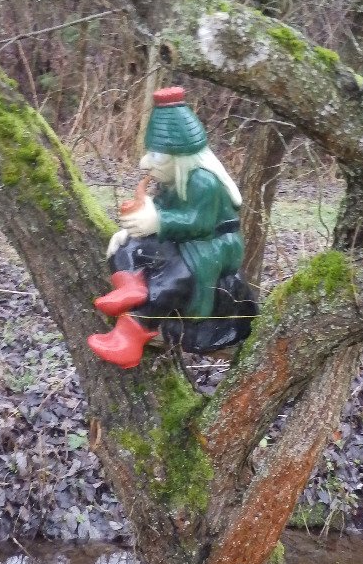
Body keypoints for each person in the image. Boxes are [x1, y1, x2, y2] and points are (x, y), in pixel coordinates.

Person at [88, 87, 257, 369]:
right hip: (184, 238)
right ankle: (130, 286)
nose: (145, 163)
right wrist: (134, 230)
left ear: (179, 158)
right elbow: (164, 210)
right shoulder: (172, 183)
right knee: (126, 245)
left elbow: (199, 223)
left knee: (176, 277)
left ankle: (129, 337)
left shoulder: (203, 182)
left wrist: (158, 222)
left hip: (213, 245)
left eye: (156, 156)